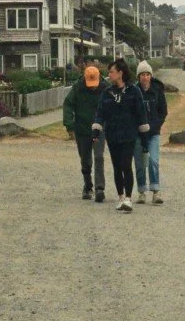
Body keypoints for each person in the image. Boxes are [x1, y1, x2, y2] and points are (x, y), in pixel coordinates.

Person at [92, 58, 149, 213]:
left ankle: (129, 198)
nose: (109, 74)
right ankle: (121, 197)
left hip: (129, 134)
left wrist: (144, 137)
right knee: (117, 166)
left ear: (120, 73)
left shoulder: (134, 91)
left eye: (111, 72)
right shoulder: (107, 93)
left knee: (126, 164)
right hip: (112, 135)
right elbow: (100, 113)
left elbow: (141, 114)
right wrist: (96, 130)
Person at [63, 63, 108, 201]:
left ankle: (100, 188)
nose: (93, 86)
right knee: (85, 160)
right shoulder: (77, 88)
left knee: (99, 157)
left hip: (99, 128)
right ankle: (88, 185)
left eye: (95, 83)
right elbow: (68, 104)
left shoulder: (106, 88)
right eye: (90, 83)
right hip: (82, 129)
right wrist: (69, 125)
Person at [133, 60, 168, 204]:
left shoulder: (157, 91)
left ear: (151, 76)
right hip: (138, 133)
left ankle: (155, 191)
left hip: (153, 133)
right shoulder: (134, 92)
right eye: (142, 75)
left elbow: (163, 112)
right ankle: (141, 192)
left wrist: (154, 127)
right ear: (138, 77)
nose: (145, 77)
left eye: (147, 74)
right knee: (140, 164)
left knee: (153, 160)